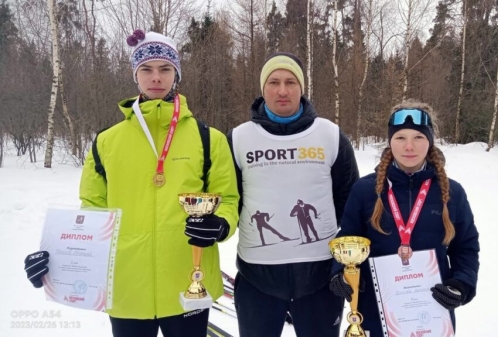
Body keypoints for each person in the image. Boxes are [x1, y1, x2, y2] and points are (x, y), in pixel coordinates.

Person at [23, 30, 239, 337]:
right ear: (135, 75)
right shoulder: (106, 142)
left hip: (189, 284)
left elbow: (228, 199)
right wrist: (57, 261)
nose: (156, 78)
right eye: (146, 69)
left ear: (176, 74)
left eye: (165, 69)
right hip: (125, 288)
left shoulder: (209, 139)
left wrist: (220, 224)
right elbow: (91, 212)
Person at [228, 52, 360, 337]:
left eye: (291, 82)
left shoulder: (330, 135)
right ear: (263, 88)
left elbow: (350, 202)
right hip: (258, 278)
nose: (282, 90)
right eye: (274, 82)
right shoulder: (238, 138)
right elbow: (230, 199)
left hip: (320, 278)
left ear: (302, 87)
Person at [329, 100, 480, 336]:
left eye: (418, 138)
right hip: (377, 312)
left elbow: (466, 248)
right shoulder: (365, 190)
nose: (409, 146)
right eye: (400, 138)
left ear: (429, 141)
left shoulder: (451, 193)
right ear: (390, 141)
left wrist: (461, 284)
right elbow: (348, 238)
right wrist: (340, 272)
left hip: (431, 314)